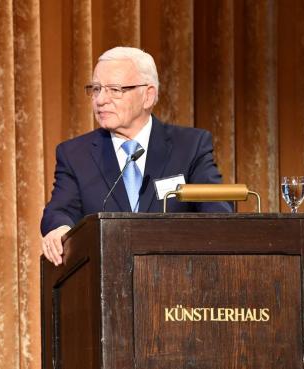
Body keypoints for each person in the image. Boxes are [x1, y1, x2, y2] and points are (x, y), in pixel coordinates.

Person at [41, 47, 232, 266]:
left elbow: (217, 210)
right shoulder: (75, 154)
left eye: (115, 90)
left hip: (178, 282)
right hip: (104, 280)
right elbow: (60, 210)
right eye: (96, 89)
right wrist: (60, 231)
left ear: (148, 95)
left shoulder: (190, 147)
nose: (101, 100)